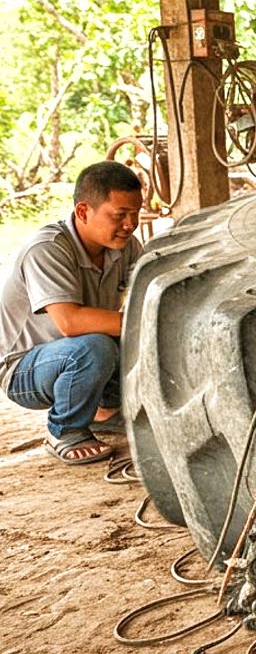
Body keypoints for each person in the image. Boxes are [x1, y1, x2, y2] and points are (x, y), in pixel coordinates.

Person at [1, 161, 144, 463]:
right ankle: (64, 430)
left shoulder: (128, 247)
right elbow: (70, 322)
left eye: (136, 213)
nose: (130, 223)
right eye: (120, 215)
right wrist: (146, 323)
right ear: (82, 212)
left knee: (142, 333)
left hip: (78, 352)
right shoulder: (47, 249)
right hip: (23, 369)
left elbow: (147, 299)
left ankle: (104, 412)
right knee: (102, 343)